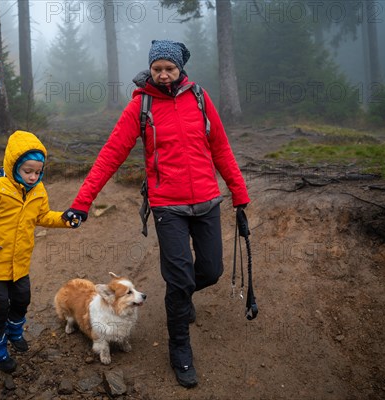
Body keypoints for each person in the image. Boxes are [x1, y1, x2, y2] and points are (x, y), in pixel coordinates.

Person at [65, 40, 250, 388]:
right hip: (168, 207)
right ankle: (180, 347)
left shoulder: (200, 98)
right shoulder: (141, 106)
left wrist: (239, 193)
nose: (164, 75)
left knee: (210, 270)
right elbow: (110, 155)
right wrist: (82, 201)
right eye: (157, 69)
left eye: (170, 68)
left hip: (207, 201)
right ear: (150, 70)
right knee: (179, 280)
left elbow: (220, 147)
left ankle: (184, 298)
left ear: (181, 69)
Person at [0, 130, 80, 373]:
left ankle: (14, 332)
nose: (34, 176)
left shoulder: (37, 190)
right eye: (28, 171)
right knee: (1, 304)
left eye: (38, 171)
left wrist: (65, 219)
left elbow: (43, 216)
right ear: (13, 165)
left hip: (20, 263)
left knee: (23, 298)